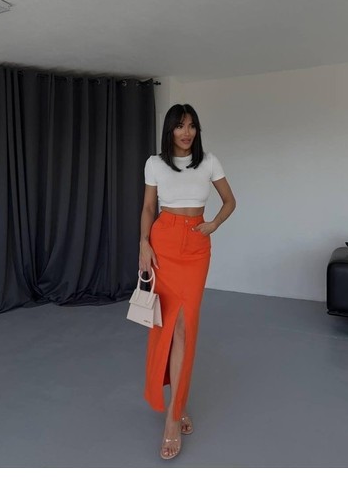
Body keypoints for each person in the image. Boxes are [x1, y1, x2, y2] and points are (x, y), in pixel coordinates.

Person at [139, 103, 236, 460]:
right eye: (180, 126)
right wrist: (143, 244)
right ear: (170, 130)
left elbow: (229, 201)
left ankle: (174, 413)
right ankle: (176, 407)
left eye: (192, 126)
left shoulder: (209, 161)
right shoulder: (154, 163)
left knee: (185, 326)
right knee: (167, 326)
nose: (187, 132)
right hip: (163, 241)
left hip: (196, 246)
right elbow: (148, 208)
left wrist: (213, 224)